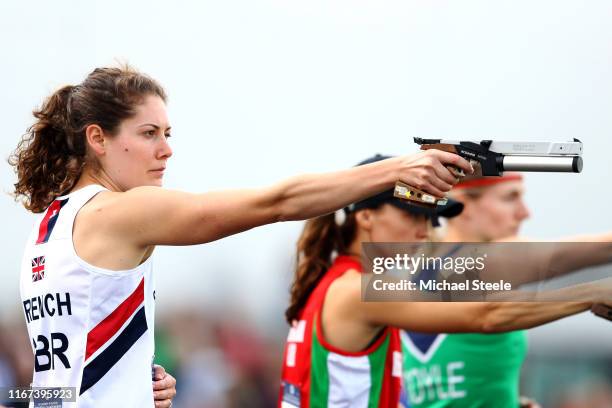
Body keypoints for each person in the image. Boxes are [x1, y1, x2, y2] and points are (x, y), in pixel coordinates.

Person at [9, 66, 473, 407]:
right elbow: (276, 203)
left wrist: (128, 386)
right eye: (149, 133)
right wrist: (397, 170)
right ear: (98, 138)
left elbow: (52, 386)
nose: (166, 150)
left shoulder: (50, 226)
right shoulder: (119, 211)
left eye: (168, 133)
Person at [279, 155, 609, 408]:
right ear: (365, 216)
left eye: (429, 218)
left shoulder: (346, 283)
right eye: (412, 216)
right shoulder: (357, 291)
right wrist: (590, 293)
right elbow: (485, 315)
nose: (423, 231)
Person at [401, 173, 612, 408]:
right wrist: (592, 292)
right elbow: (599, 250)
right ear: (463, 205)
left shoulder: (418, 269)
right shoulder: (482, 262)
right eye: (510, 198)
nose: (524, 212)